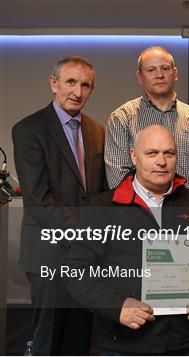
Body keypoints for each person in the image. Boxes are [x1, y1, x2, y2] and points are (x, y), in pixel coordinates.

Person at [63, 125, 189, 355]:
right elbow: (76, 270)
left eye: (169, 153)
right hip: (124, 345)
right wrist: (117, 306)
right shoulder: (103, 207)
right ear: (133, 156)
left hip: (183, 343)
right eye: (152, 153)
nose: (162, 161)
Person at [11, 56, 105, 355]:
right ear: (54, 84)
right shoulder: (28, 130)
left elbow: (98, 193)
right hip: (49, 252)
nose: (77, 91)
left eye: (85, 85)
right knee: (48, 339)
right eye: (70, 82)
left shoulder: (97, 131)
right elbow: (38, 200)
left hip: (87, 257)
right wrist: (87, 233)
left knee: (80, 338)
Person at [105, 46, 189, 207]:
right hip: (139, 216)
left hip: (188, 219)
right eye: (151, 70)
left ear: (175, 73)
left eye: (165, 69)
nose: (159, 75)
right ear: (140, 76)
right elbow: (118, 174)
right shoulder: (122, 118)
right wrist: (147, 210)